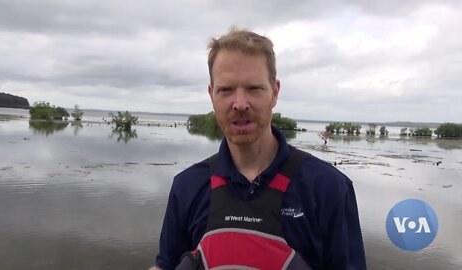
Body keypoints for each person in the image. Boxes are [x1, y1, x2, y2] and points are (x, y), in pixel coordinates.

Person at [151, 28, 366, 270]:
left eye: (254, 88)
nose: (240, 104)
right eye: (226, 90)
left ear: (275, 92)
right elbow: (165, 265)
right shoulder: (187, 186)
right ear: (211, 95)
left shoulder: (329, 188)